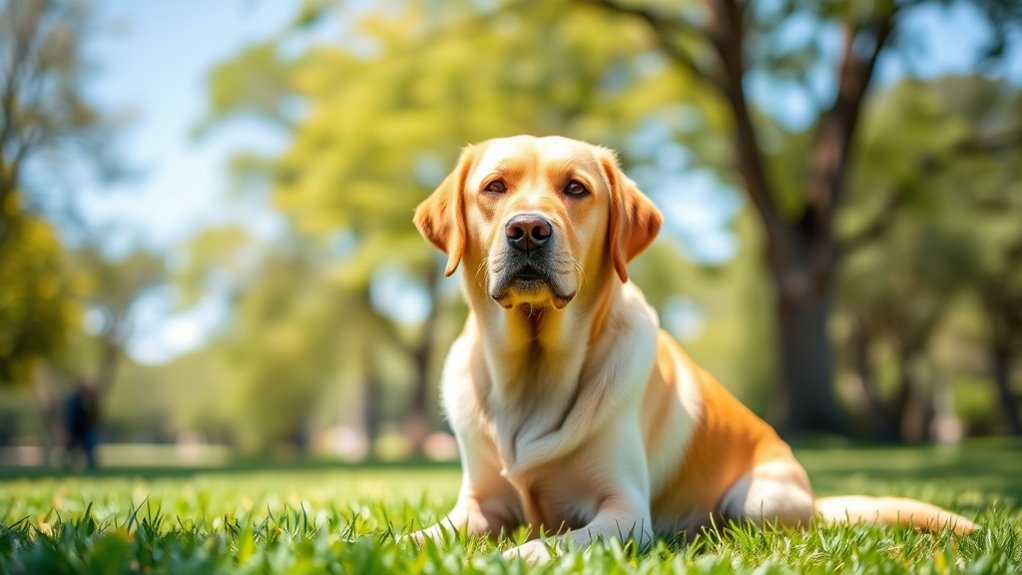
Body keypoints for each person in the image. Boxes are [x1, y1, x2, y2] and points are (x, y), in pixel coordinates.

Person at [64, 379, 100, 469]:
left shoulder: (90, 401)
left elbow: (94, 417)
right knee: (70, 450)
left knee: (89, 446)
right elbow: (70, 417)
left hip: (85, 430)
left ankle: (91, 466)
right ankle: (69, 466)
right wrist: (67, 430)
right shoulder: (74, 401)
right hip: (74, 429)